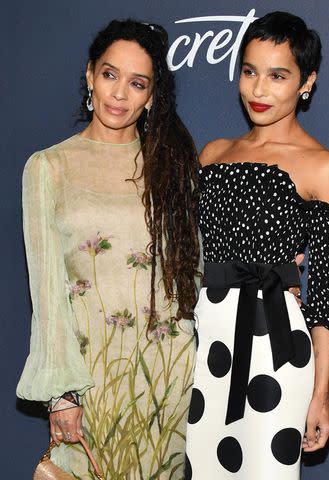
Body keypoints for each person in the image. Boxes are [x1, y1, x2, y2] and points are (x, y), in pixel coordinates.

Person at [185, 11, 329, 480]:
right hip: (205, 341)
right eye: (249, 72)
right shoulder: (213, 153)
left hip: (275, 343)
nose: (259, 90)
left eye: (277, 75)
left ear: (307, 82)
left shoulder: (324, 167)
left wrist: (320, 394)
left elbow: (325, 291)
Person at [16, 20, 200, 479]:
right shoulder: (48, 168)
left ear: (152, 95)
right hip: (90, 382)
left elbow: (193, 272)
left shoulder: (173, 169)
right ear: (90, 76)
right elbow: (47, 293)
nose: (120, 94)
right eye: (110, 75)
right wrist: (61, 393)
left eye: (137, 83)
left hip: (170, 379)